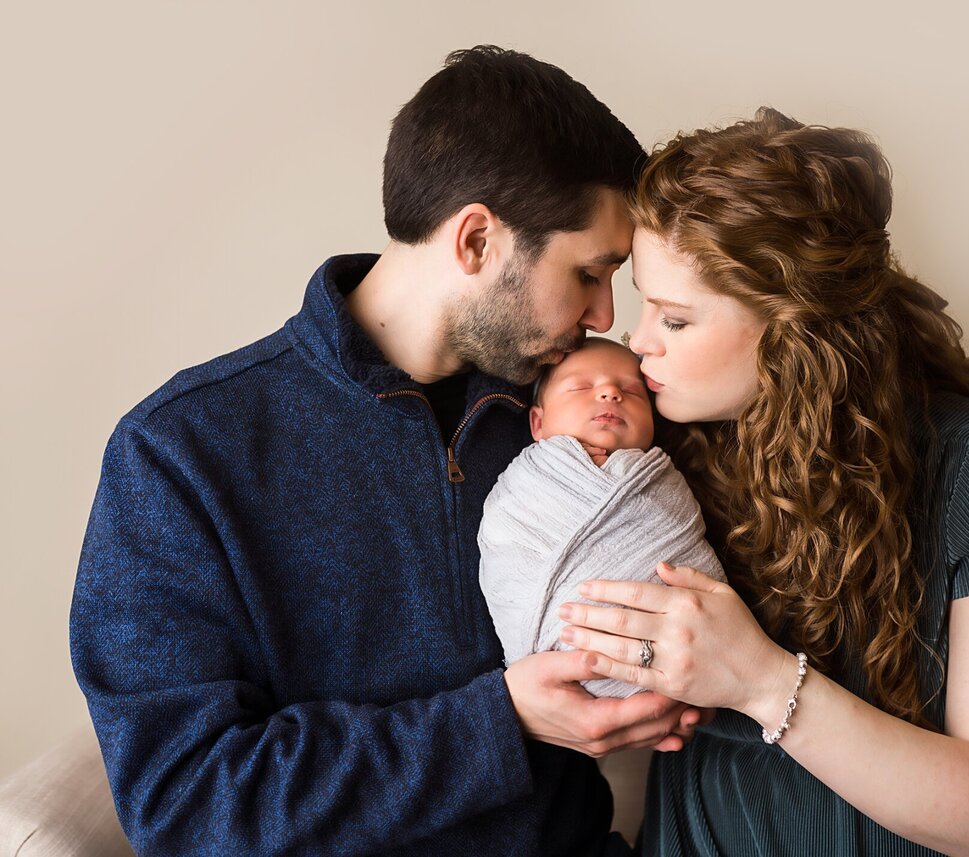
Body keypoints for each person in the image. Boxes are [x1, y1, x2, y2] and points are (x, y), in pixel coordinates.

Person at [69, 46, 701, 857]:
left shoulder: (572, 415)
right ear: (477, 240)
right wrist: (499, 721)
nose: (606, 313)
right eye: (589, 273)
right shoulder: (180, 455)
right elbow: (188, 805)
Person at [559, 108, 969, 856]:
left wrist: (762, 682)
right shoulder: (653, 452)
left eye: (675, 319)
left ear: (794, 331)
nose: (637, 340)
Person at [477, 338, 725, 699]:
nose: (610, 393)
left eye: (632, 391)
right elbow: (503, 545)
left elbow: (688, 552)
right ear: (538, 423)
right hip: (553, 665)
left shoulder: (660, 477)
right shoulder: (521, 484)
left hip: (684, 663)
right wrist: (565, 465)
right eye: (581, 386)